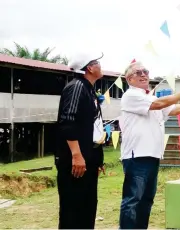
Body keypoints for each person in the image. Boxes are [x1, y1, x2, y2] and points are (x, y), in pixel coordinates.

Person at [119, 61, 180, 229]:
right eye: (138, 72)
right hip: (137, 156)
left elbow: (172, 110)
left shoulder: (151, 97)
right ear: (129, 79)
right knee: (133, 199)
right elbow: (159, 104)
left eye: (145, 71)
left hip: (153, 155)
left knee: (147, 199)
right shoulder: (131, 95)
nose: (143, 74)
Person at [55, 53, 106, 229]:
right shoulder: (76, 87)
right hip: (75, 161)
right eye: (97, 63)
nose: (101, 65)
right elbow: (68, 122)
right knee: (72, 210)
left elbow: (94, 127)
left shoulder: (89, 89)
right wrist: (76, 155)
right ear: (89, 68)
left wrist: (98, 160)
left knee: (87, 207)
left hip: (88, 159)